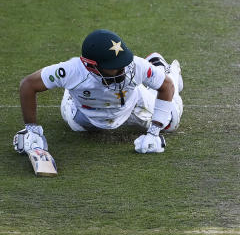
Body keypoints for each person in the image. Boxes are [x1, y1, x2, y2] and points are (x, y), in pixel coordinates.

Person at [13, 29, 184, 156]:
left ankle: (161, 66)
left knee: (170, 122)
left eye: (123, 62)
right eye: (114, 66)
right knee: (78, 127)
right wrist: (32, 130)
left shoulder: (136, 66)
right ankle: (71, 94)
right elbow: (28, 85)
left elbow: (166, 87)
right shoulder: (70, 70)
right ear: (91, 65)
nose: (124, 69)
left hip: (132, 105)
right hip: (84, 113)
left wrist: (154, 133)